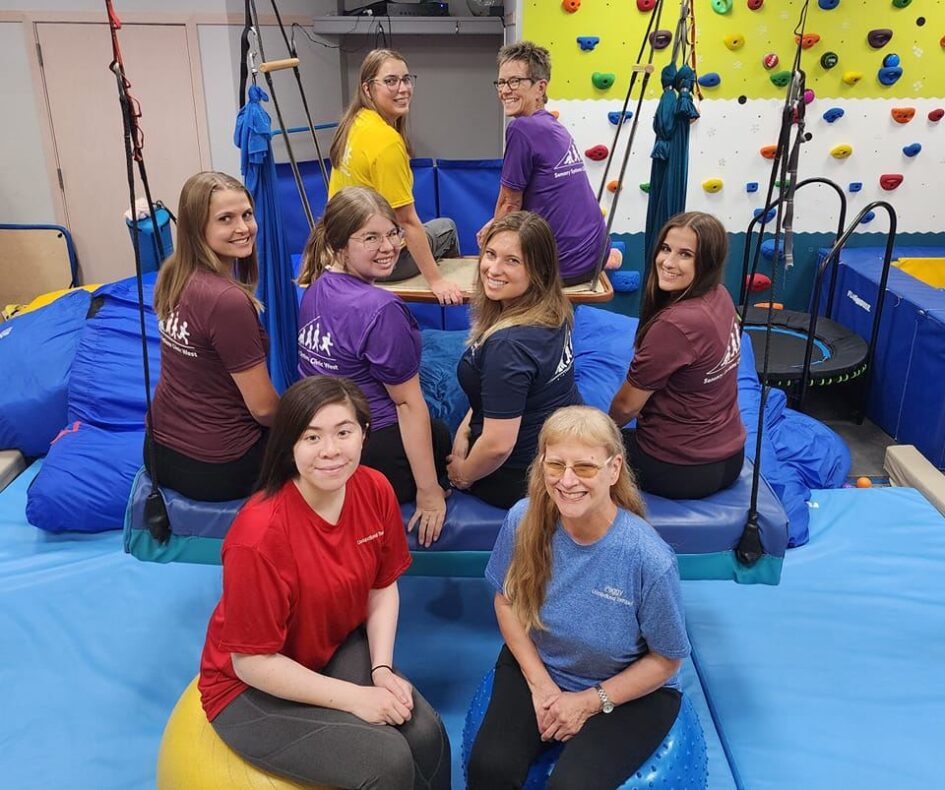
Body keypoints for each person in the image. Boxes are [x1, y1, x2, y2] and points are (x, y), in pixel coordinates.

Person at [198, 376, 451, 790]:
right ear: (289, 446)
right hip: (245, 688)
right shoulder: (258, 536)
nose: (331, 451)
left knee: (426, 734)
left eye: (343, 432)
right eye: (311, 436)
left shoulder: (374, 489)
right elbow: (251, 662)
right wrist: (357, 698)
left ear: (364, 435)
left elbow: (382, 586)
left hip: (326, 650)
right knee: (387, 763)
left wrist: (382, 669)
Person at [467, 405, 690, 790]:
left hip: (627, 690)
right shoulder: (523, 519)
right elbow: (505, 603)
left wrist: (589, 701)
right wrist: (542, 686)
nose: (567, 481)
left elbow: (667, 660)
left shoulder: (648, 559)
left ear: (614, 469)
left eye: (585, 467)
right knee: (490, 769)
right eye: (556, 465)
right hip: (543, 666)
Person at [297, 186, 449, 546]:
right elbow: (408, 405)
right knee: (441, 432)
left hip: (321, 436)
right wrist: (429, 492)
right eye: (370, 238)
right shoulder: (381, 309)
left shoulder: (315, 286)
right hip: (368, 448)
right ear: (339, 246)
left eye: (393, 233)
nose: (389, 247)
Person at [148, 171, 279, 502]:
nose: (243, 228)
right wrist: (306, 422)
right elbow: (264, 409)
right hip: (219, 468)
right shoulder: (226, 301)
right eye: (226, 219)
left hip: (159, 452)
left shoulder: (174, 271)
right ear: (197, 228)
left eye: (247, 215)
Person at [447, 211, 582, 509]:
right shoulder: (555, 306)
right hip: (558, 446)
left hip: (515, 475)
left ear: (538, 271)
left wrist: (462, 475)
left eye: (512, 261)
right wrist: (465, 430)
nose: (493, 269)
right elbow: (504, 394)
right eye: (491, 254)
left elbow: (497, 447)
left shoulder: (508, 346)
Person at [609, 211, 745, 499]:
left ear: (707, 261)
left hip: (679, 469)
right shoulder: (721, 294)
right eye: (666, 249)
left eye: (685, 254)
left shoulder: (676, 325)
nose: (668, 262)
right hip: (731, 457)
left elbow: (626, 407)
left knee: (576, 454)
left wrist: (601, 436)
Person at [476, 41, 621, 285]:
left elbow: (510, 204)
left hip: (565, 267)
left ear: (540, 87)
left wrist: (490, 246)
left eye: (514, 81)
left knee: (489, 266)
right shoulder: (553, 126)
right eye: (501, 82)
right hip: (595, 254)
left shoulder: (521, 128)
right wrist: (494, 223)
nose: (504, 90)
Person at [329, 48, 464, 305]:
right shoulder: (386, 141)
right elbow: (407, 221)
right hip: (379, 260)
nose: (402, 88)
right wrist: (437, 282)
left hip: (343, 253)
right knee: (446, 228)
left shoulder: (354, 123)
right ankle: (454, 313)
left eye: (406, 79)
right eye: (391, 81)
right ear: (368, 89)